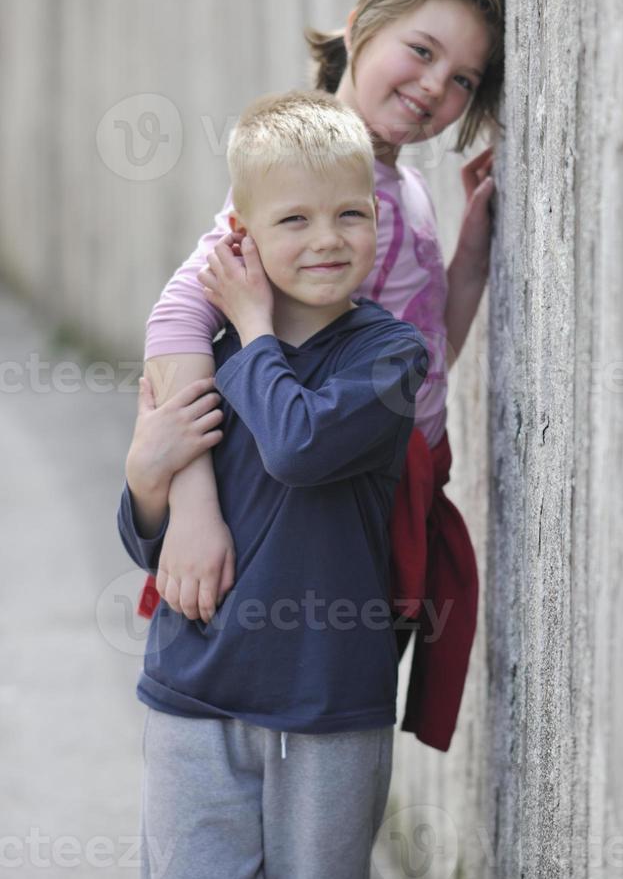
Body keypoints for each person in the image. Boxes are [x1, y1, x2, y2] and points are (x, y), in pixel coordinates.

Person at [136, 0, 505, 751]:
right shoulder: (302, 175)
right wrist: (193, 504)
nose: (434, 86)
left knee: (338, 714)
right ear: (360, 27)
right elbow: (178, 315)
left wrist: (469, 264)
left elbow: (423, 351)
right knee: (293, 716)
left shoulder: (401, 186)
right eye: (421, 50)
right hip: (305, 480)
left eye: (463, 80)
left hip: (384, 478)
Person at [118, 89, 429, 879]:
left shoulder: (390, 358)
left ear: (377, 220)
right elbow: (148, 535)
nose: (327, 239)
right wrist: (146, 477)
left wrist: (256, 329)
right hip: (195, 691)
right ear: (241, 236)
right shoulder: (205, 354)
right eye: (294, 219)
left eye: (350, 215)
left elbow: (298, 444)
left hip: (326, 702)